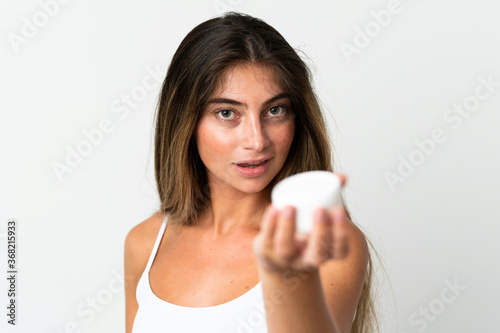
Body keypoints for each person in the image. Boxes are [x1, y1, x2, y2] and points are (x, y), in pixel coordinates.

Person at [124, 12, 379, 333]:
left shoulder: (325, 243)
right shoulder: (145, 244)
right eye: (227, 113)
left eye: (275, 110)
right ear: (186, 122)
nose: (257, 140)